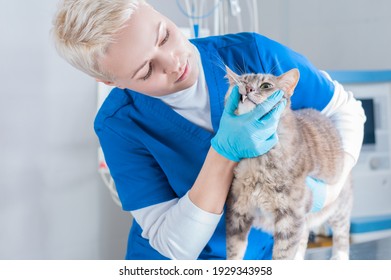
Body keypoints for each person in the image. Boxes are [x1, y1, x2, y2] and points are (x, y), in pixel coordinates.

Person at [52, 0, 365, 260]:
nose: (173, 63)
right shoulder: (119, 124)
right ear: (110, 82)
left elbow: (344, 109)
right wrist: (224, 153)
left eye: (164, 36)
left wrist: (333, 187)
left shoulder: (252, 54)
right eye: (147, 70)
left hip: (263, 253)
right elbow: (175, 246)